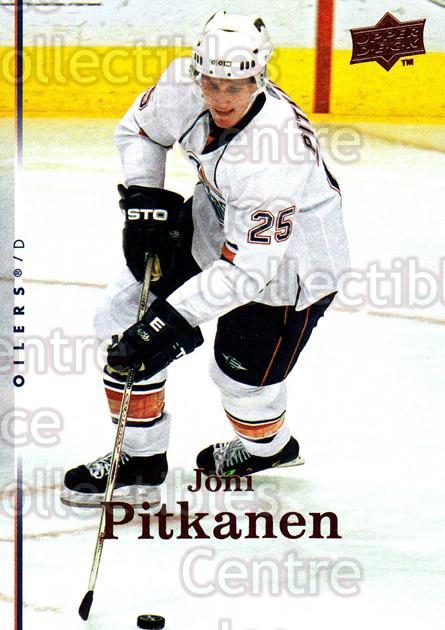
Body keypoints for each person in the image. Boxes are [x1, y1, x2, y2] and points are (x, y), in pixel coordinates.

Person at [63, 11, 349, 505]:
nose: (220, 99)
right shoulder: (183, 83)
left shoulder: (273, 152)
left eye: (235, 88)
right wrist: (144, 198)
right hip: (210, 228)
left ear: (260, 79)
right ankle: (141, 459)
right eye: (211, 84)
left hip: (288, 272)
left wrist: (168, 324)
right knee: (120, 316)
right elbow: (141, 130)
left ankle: (269, 449)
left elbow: (247, 272)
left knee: (240, 384)